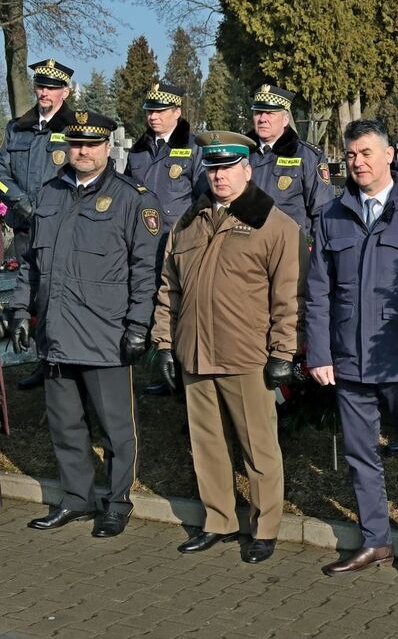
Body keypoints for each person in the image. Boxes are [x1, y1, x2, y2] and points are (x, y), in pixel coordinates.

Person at [306, 120, 398, 588]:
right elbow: (318, 292)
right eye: (350, 155)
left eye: (367, 153)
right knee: (359, 453)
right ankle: (376, 539)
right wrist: (320, 352)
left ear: (390, 155)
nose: (358, 163)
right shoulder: (332, 215)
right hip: (350, 359)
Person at [8, 110, 161, 538]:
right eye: (76, 144)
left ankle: (116, 502)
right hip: (56, 334)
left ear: (107, 147)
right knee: (66, 425)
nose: (83, 152)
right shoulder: (51, 193)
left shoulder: (134, 198)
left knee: (115, 430)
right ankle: (76, 498)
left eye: (91, 145)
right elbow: (30, 263)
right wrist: (21, 312)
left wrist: (137, 326)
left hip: (105, 335)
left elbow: (145, 270)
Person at [151, 130, 300, 564]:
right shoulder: (188, 221)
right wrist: (164, 343)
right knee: (207, 444)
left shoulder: (274, 224)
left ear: (247, 170)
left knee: (258, 447)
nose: (219, 177)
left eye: (228, 168)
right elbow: (169, 289)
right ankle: (218, 520)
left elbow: (287, 298)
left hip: (246, 354)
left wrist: (282, 354)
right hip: (194, 351)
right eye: (213, 169)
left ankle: (265, 526)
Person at [123, 82, 206, 397]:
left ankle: (187, 374)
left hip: (182, 244)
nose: (153, 117)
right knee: (159, 305)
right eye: (149, 110)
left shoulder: (193, 148)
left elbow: (203, 199)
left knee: (182, 308)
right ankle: (164, 366)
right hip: (145, 244)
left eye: (160, 111)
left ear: (177, 112)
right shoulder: (139, 149)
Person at [0, 59, 75, 390]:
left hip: (60, 226)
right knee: (26, 291)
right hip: (24, 224)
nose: (44, 92)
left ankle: (62, 362)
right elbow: (1, 174)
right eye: (40, 86)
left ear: (65, 92)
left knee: (56, 295)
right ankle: (41, 360)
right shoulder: (16, 128)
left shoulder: (75, 127)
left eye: (51, 87)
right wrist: (18, 201)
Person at [245, 84, 334, 241]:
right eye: (258, 113)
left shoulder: (308, 157)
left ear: (285, 119)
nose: (263, 119)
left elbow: (322, 211)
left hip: (291, 249)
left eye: (270, 113)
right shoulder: (241, 155)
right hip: (247, 250)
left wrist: (315, 253)